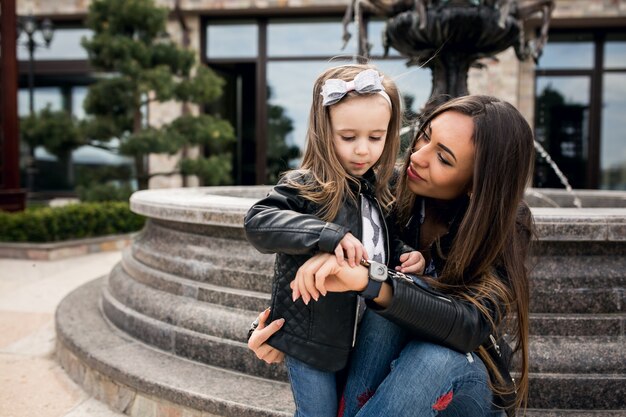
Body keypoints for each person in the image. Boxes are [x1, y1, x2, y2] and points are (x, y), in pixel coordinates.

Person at [248, 95, 535, 417]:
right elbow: (304, 228)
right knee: (390, 309)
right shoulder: (386, 187)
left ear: (476, 185)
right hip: (378, 384)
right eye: (425, 136)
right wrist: (281, 331)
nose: (417, 156)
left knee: (433, 355)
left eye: (443, 158)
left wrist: (371, 281)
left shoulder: (506, 222)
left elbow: (471, 326)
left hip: (462, 383)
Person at [243, 64, 424, 417]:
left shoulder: (378, 191)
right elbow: (259, 221)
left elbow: (378, 243)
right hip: (311, 341)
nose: (362, 150)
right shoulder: (307, 186)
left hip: (361, 338)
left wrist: (405, 255)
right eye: (348, 137)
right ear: (324, 132)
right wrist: (326, 234)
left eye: (375, 137)